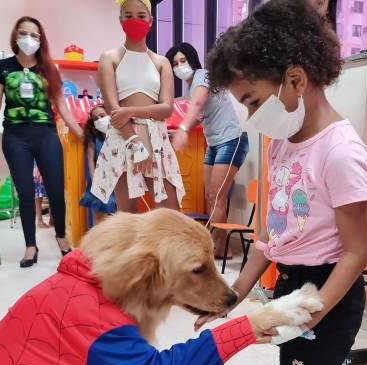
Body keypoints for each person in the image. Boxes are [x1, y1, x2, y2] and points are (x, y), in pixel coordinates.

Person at [200, 1, 367, 365]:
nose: (250, 116)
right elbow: (267, 239)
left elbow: (358, 250)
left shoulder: (340, 151)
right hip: (291, 287)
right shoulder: (280, 143)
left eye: (252, 100)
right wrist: (232, 296)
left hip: (325, 292)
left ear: (295, 79)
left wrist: (314, 310)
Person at [0, 16, 84, 268]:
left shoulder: (49, 69)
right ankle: (30, 245)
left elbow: (62, 105)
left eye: (35, 35)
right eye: (24, 33)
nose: (29, 39)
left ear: (41, 40)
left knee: (55, 188)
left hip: (46, 135)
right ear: (15, 36)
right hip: (15, 136)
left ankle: (61, 238)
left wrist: (80, 133)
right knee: (26, 193)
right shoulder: (3, 67)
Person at [92, 0, 184, 214]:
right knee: (128, 216)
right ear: (120, 20)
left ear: (150, 21)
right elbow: (114, 110)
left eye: (141, 16)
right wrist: (136, 144)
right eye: (129, 15)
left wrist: (130, 110)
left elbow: (166, 108)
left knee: (170, 213)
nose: (135, 21)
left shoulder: (161, 62)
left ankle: (165, 249)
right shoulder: (109, 58)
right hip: (124, 139)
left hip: (156, 139)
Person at [166, 42, 249, 259]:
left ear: (193, 60)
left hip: (231, 141)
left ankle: (215, 248)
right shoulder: (189, 87)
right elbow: (200, 116)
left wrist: (183, 128)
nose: (179, 66)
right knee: (209, 197)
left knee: (217, 197)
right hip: (214, 144)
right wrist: (177, 130)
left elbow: (199, 103)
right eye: (175, 63)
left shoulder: (203, 75)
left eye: (183, 60)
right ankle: (222, 247)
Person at [80, 104, 116, 226]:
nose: (100, 120)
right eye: (96, 118)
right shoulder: (93, 138)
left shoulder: (117, 134)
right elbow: (90, 160)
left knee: (115, 216)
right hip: (99, 181)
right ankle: (97, 242)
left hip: (116, 182)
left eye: (102, 115)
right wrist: (95, 181)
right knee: (98, 216)